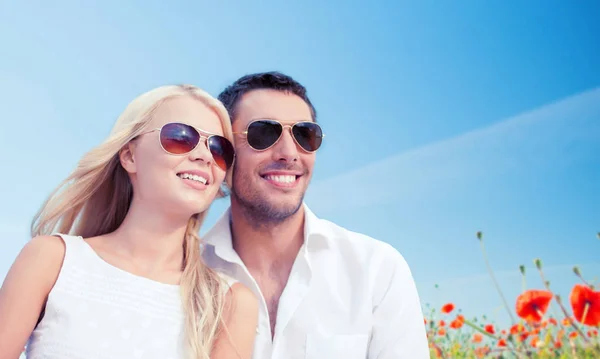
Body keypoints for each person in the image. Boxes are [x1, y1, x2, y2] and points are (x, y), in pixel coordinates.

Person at [0, 85, 258, 359]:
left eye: (219, 149)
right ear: (130, 156)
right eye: (181, 137)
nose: (204, 156)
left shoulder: (229, 303)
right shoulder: (52, 259)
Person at [201, 71, 430, 358]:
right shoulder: (187, 275)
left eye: (304, 135)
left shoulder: (377, 270)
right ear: (223, 150)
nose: (288, 153)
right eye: (263, 133)